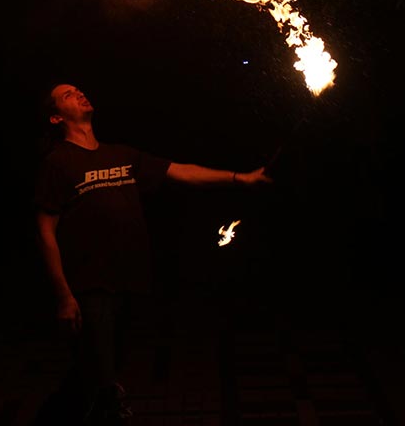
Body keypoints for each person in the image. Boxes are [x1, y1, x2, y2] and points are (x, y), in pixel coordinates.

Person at [33, 82, 273, 425]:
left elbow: (181, 171)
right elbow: (45, 231)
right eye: (68, 94)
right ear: (56, 117)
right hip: (90, 286)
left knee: (95, 372)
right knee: (104, 384)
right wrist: (62, 295)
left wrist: (239, 178)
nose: (80, 93)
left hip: (130, 281)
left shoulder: (121, 154)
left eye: (79, 89)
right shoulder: (57, 163)